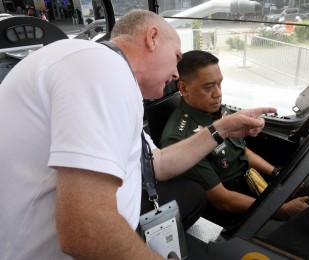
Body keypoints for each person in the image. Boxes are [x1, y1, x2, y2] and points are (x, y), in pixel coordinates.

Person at [0, 9, 275, 259]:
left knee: (191, 195)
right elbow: (87, 228)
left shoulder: (110, 75)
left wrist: (223, 128)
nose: (176, 73)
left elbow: (157, 164)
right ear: (153, 38)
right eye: (176, 58)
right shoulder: (100, 67)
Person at [160, 50, 309, 227]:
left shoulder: (218, 111)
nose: (218, 94)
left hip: (256, 186)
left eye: (219, 84)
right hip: (236, 215)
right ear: (183, 88)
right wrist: (282, 210)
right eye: (208, 87)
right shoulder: (181, 140)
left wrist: (277, 174)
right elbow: (222, 200)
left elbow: (242, 151)